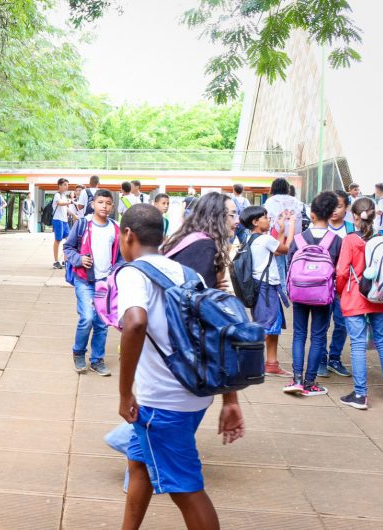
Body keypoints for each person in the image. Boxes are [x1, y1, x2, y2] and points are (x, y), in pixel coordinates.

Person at [116, 204, 244, 530]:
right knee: (140, 465)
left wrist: (124, 392)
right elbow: (213, 333)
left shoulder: (133, 272)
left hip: (161, 402)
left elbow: (134, 323)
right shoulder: (188, 273)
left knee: (186, 489)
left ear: (128, 234)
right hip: (193, 394)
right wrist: (230, 399)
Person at [335, 198, 383, 410]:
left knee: (358, 345)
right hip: (378, 297)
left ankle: (360, 395)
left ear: (354, 216)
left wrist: (340, 291)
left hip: (355, 297)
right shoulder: (382, 238)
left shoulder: (350, 240)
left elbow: (342, 271)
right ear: (374, 214)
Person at [282, 191, 342, 397]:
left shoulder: (298, 239)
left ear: (312, 214)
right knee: (318, 337)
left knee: (299, 335)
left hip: (299, 293)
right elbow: (339, 270)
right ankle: (310, 383)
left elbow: (289, 265)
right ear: (330, 214)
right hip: (323, 296)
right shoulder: (335, 240)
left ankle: (296, 379)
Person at [63, 189, 119, 377]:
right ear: (93, 204)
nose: (104, 206)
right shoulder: (83, 224)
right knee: (87, 318)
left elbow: (121, 257)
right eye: (101, 202)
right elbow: (68, 247)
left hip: (105, 283)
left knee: (102, 323)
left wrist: (115, 271)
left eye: (108, 203)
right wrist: (79, 259)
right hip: (84, 281)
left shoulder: (115, 228)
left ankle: (97, 360)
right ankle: (78, 353)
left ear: (112, 206)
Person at [241, 205, 295, 378]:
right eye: (265, 217)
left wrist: (280, 228)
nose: (268, 219)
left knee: (273, 326)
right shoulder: (264, 239)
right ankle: (243, 360)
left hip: (261, 288)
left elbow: (276, 251)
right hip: (266, 289)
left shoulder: (253, 239)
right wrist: (291, 226)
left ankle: (271, 364)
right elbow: (286, 249)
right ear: (255, 222)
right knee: (266, 326)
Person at [161, 192, 235, 290]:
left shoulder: (190, 237)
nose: (237, 221)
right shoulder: (204, 246)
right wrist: (213, 291)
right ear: (217, 217)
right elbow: (196, 298)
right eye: (232, 215)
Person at [318, 190, 354, 377]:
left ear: (346, 208)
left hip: (344, 288)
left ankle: (334, 358)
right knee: (322, 324)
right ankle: (321, 359)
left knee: (341, 324)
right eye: (332, 206)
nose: (334, 210)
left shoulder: (350, 229)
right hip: (322, 286)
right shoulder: (321, 227)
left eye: (339, 206)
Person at [52, 178, 72, 268]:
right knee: (58, 240)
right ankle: (56, 261)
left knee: (68, 240)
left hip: (64, 221)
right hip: (58, 220)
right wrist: (69, 201)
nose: (66, 187)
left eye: (67, 185)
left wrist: (74, 215)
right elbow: (60, 203)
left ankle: (66, 260)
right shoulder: (57, 195)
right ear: (59, 185)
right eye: (65, 185)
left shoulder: (64, 196)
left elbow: (65, 208)